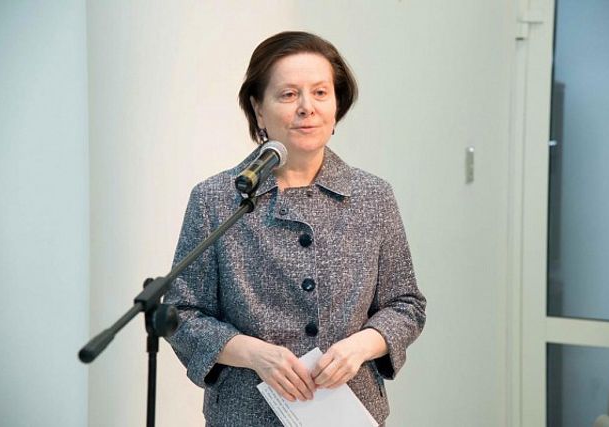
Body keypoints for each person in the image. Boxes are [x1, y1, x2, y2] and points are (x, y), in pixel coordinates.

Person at [164, 31, 427, 426]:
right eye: (288, 95)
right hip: (245, 415)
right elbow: (180, 312)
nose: (307, 108)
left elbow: (406, 305)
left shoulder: (373, 196)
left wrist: (360, 346)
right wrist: (254, 354)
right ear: (258, 109)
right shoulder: (215, 199)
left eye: (320, 93)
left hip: (350, 412)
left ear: (337, 105)